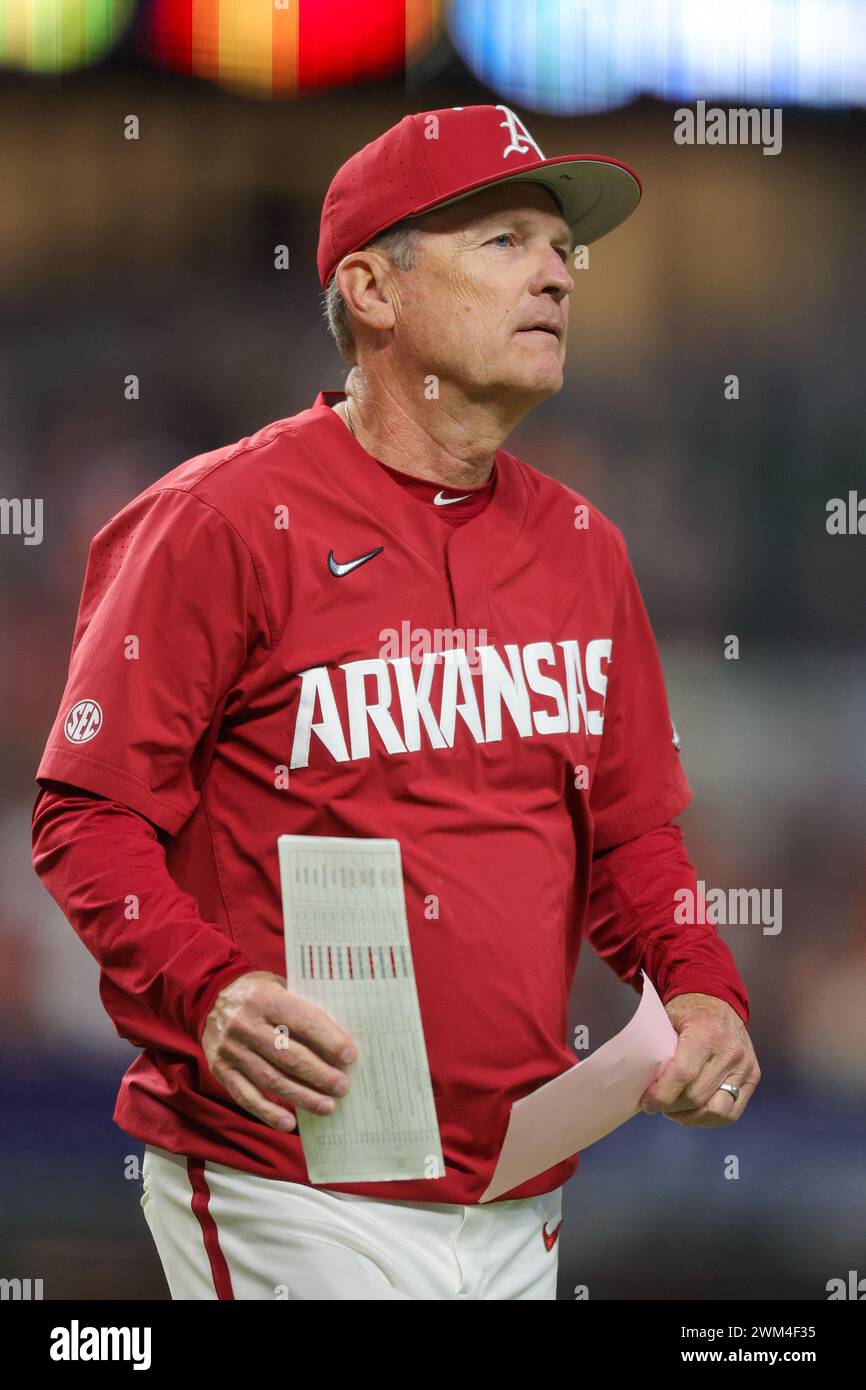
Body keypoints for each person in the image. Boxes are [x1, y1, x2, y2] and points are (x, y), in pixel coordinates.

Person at [31, 104, 759, 1301]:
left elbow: (629, 838)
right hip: (292, 1173)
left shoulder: (584, 548)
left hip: (519, 1184)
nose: (555, 274)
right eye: (504, 240)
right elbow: (85, 818)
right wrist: (205, 992)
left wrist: (698, 983)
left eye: (558, 248)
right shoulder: (220, 520)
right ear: (371, 289)